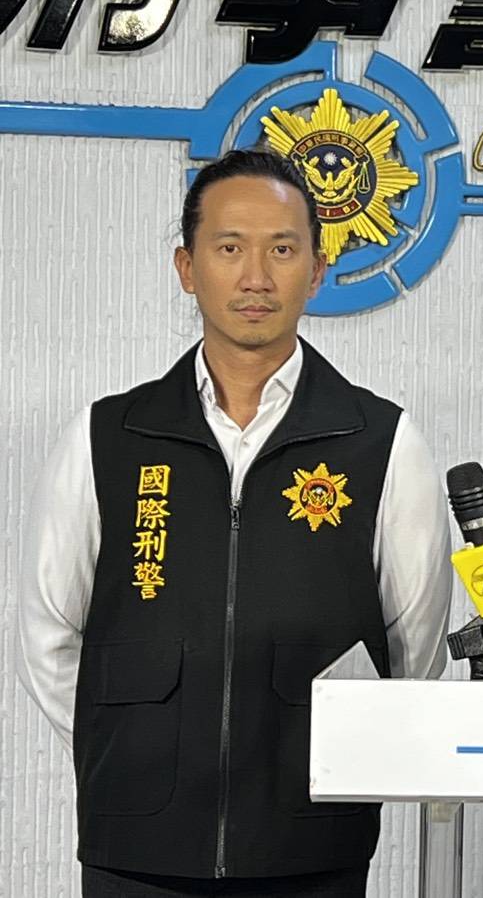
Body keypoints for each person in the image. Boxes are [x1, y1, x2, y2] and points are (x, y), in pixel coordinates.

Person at [18, 150, 452, 897]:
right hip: (137, 845)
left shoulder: (381, 441)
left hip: (311, 845)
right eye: (229, 248)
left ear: (317, 272)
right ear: (187, 268)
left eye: (282, 250)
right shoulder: (106, 436)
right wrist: (127, 751)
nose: (256, 277)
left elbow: (414, 647)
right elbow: (48, 635)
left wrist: (347, 761)